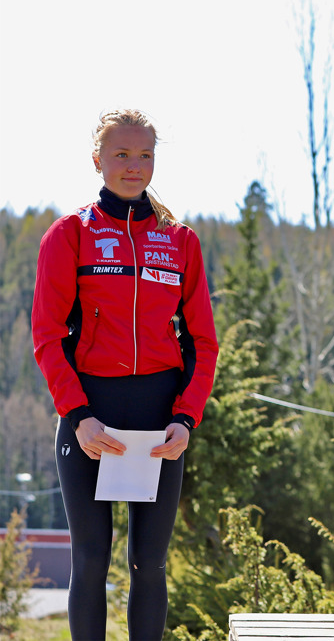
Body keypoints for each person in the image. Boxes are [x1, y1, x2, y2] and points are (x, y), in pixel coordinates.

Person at [32, 109, 219, 640]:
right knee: (91, 560)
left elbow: (203, 343)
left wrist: (185, 420)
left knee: (148, 565)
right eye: (121, 155)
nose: (133, 166)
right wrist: (78, 414)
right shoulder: (69, 234)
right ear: (97, 160)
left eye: (144, 155)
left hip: (160, 420)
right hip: (90, 414)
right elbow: (47, 336)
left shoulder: (179, 239)